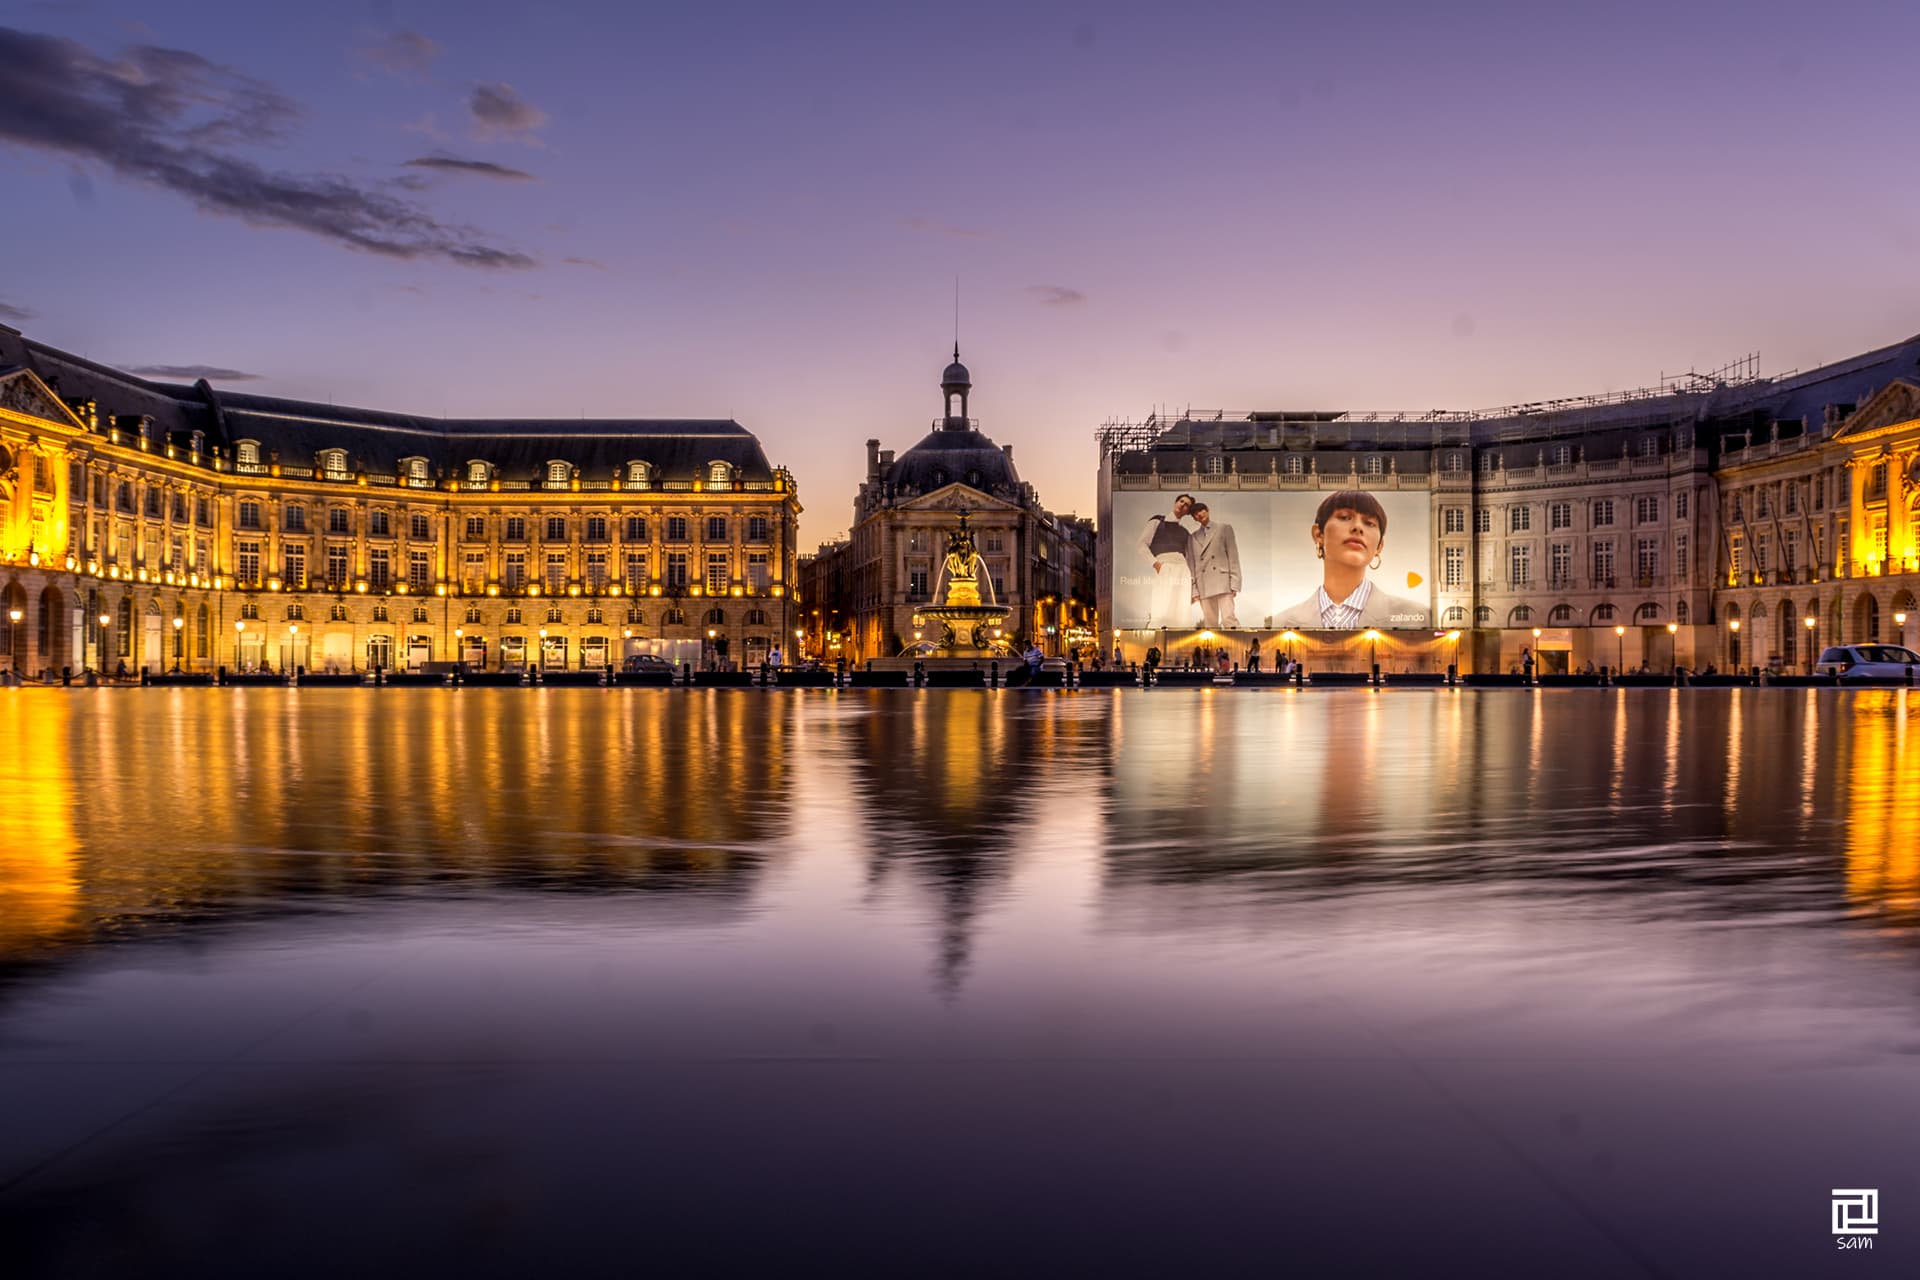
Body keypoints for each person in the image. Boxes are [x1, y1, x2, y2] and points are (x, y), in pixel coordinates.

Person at [1270, 490, 1428, 629]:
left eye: (1369, 523)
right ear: (1318, 534)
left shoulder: (1420, 618)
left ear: (1379, 546)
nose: (1357, 527)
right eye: (1345, 517)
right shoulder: (1280, 622)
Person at [1137, 494, 1197, 627]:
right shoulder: (1157, 521)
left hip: (1183, 568)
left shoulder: (1184, 532)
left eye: (1187, 505)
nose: (1183, 505)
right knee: (1161, 606)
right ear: (1176, 502)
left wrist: (1194, 589)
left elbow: (1190, 559)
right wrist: (1156, 564)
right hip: (1164, 565)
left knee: (1181, 611)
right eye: (1181, 501)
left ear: (1187, 512)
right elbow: (1141, 545)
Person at [1186, 501, 1241, 628]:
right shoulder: (1192, 537)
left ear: (1207, 510)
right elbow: (1192, 565)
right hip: (1203, 584)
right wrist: (1194, 591)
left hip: (1223, 582)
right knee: (1210, 624)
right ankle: (1212, 648)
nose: (1199, 514)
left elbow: (1233, 557)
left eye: (1201, 510)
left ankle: (1237, 648)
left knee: (1229, 620)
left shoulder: (1224, 528)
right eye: (1195, 514)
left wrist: (1235, 583)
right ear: (1194, 518)